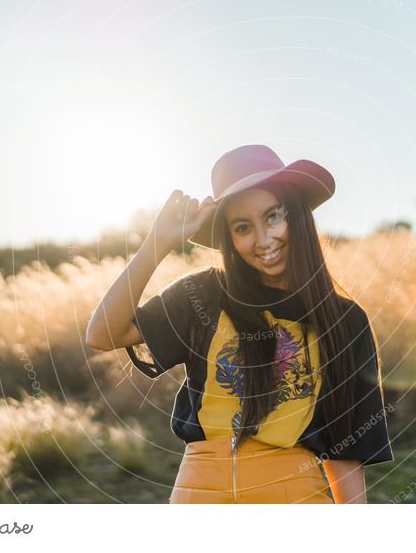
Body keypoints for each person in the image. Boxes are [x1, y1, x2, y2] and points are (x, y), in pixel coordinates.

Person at [86, 144, 394, 504]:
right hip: (197, 495)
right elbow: (103, 334)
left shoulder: (344, 321)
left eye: (274, 217)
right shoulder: (202, 295)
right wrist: (159, 242)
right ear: (229, 238)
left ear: (296, 215)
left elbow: (345, 449)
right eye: (243, 227)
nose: (264, 241)